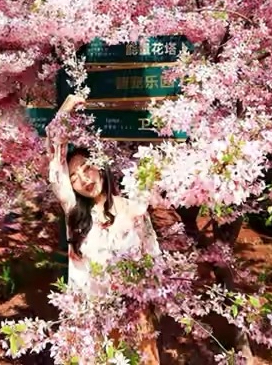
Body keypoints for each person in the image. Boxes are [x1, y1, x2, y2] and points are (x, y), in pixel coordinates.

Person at [47, 94, 161, 363]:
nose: (83, 179)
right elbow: (55, 160)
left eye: (86, 168)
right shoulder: (74, 214)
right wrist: (66, 108)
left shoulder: (133, 208)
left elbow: (152, 256)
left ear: (100, 166)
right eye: (74, 177)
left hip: (134, 310)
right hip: (91, 316)